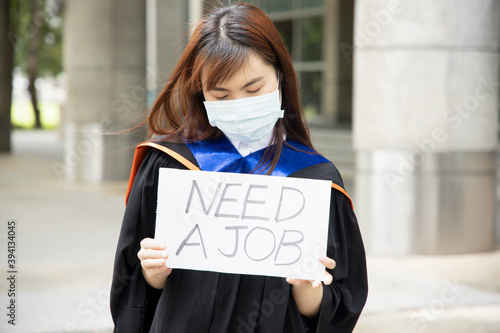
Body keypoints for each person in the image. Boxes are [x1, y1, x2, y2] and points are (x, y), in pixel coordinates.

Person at [110, 3, 368, 332]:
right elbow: (132, 290)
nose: (239, 105)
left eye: (253, 89)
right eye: (220, 95)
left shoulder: (315, 181)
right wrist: (152, 273)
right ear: (200, 93)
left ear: (280, 76)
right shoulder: (169, 165)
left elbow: (339, 306)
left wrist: (309, 288)